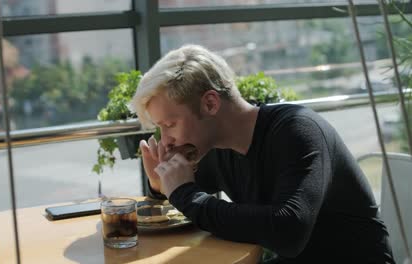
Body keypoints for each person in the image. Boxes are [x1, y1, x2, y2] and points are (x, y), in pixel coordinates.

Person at [129, 45, 394, 263]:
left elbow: (287, 231)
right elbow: (194, 203)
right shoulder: (216, 147)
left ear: (210, 103)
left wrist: (184, 193)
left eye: (169, 125)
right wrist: (161, 186)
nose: (167, 141)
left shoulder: (297, 131)